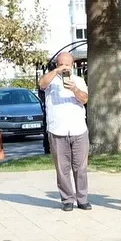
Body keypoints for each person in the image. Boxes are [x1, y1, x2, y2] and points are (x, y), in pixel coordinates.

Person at [38, 52, 91, 212]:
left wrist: (75, 89)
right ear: (57, 64)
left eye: (67, 64)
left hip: (78, 129)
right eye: (61, 64)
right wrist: (56, 71)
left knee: (80, 167)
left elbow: (85, 99)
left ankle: (82, 199)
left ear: (73, 65)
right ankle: (67, 199)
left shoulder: (79, 81)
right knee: (62, 168)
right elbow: (41, 84)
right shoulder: (51, 81)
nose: (65, 67)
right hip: (57, 129)